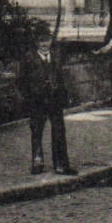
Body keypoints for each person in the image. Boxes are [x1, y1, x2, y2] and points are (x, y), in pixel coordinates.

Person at [20, 32, 77, 176]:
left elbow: (61, 78)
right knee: (37, 131)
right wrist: (29, 97)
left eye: (47, 41)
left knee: (59, 131)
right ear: (36, 43)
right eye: (41, 41)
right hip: (37, 101)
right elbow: (21, 81)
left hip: (55, 100)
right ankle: (37, 162)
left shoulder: (56, 57)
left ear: (51, 41)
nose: (44, 45)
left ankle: (61, 164)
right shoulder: (29, 58)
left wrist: (65, 95)